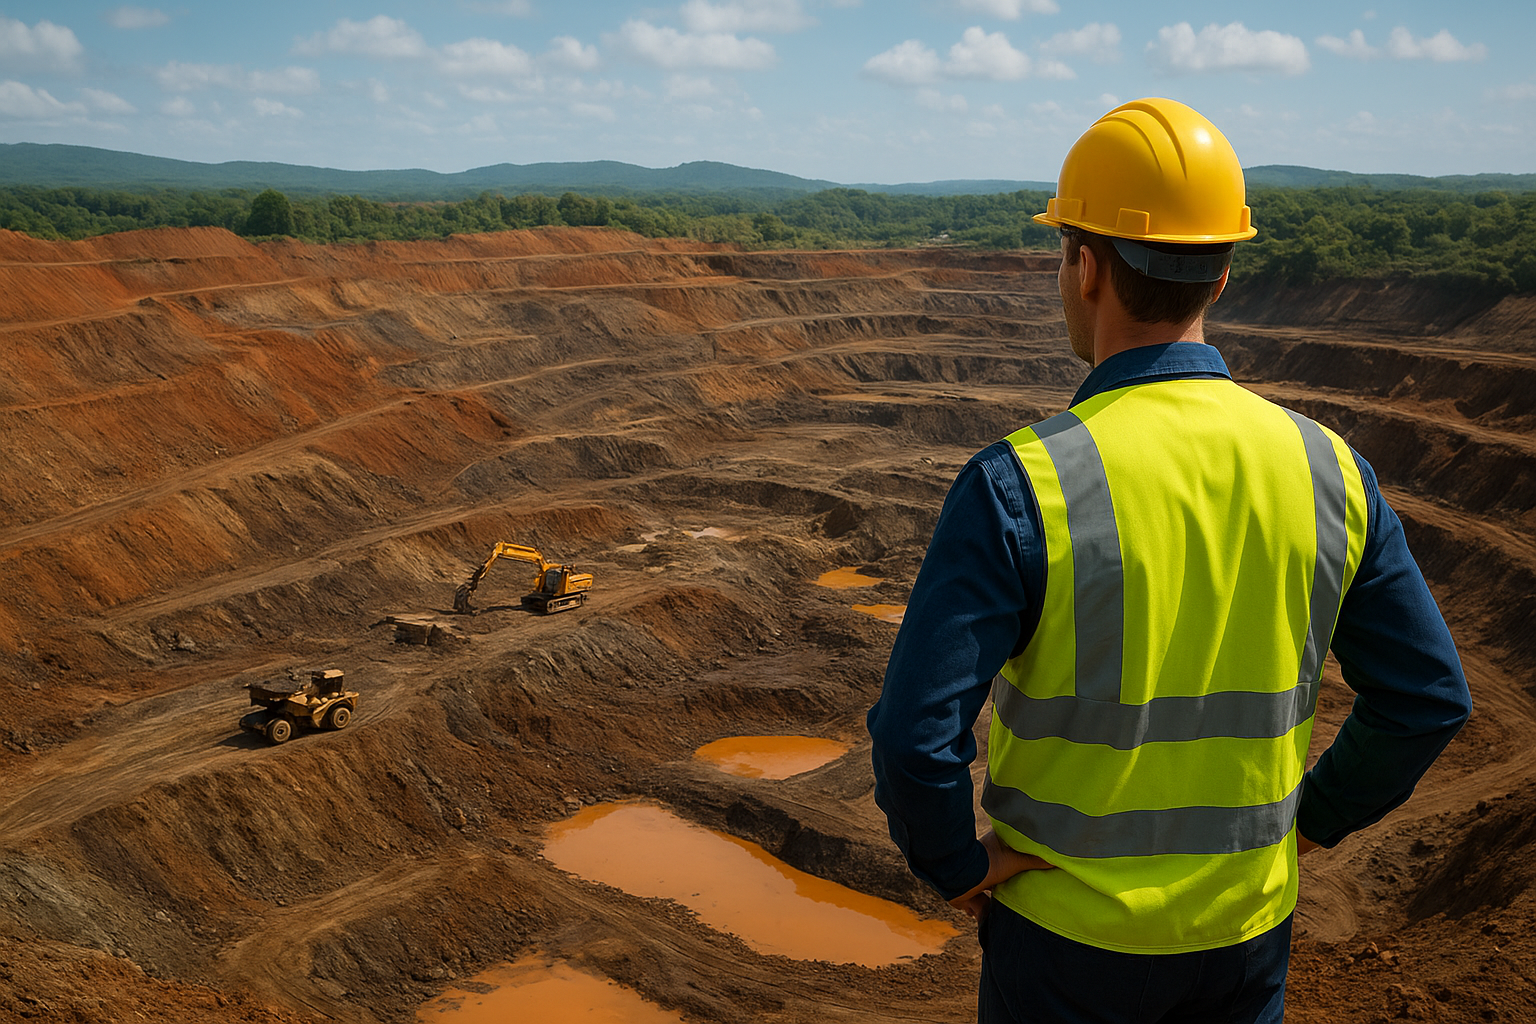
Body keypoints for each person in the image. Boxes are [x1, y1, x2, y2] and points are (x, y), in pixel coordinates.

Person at [866, 97, 1472, 1024]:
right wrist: (1311, 822)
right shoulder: (1331, 472)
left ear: (1086, 263)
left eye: (1065, 252)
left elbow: (916, 738)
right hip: (1244, 941)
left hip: (1064, 947)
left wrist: (956, 863)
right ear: (1222, 274)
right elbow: (1428, 698)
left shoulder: (1020, 485)